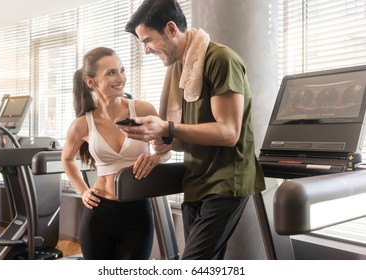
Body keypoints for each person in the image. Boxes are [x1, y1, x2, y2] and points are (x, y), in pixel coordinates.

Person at [121, 0, 266, 260]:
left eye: (147, 40)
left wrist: (169, 128)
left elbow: (229, 132)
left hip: (226, 180)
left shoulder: (220, 59)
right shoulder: (179, 68)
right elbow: (183, 132)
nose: (145, 50)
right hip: (196, 180)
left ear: (171, 29)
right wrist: (163, 138)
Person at [61, 47, 170, 260]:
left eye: (122, 70)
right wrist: (83, 191)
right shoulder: (82, 124)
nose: (121, 78)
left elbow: (166, 148)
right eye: (111, 73)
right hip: (100, 210)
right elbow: (66, 159)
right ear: (91, 82)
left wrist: (155, 158)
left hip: (138, 211)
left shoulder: (142, 109)